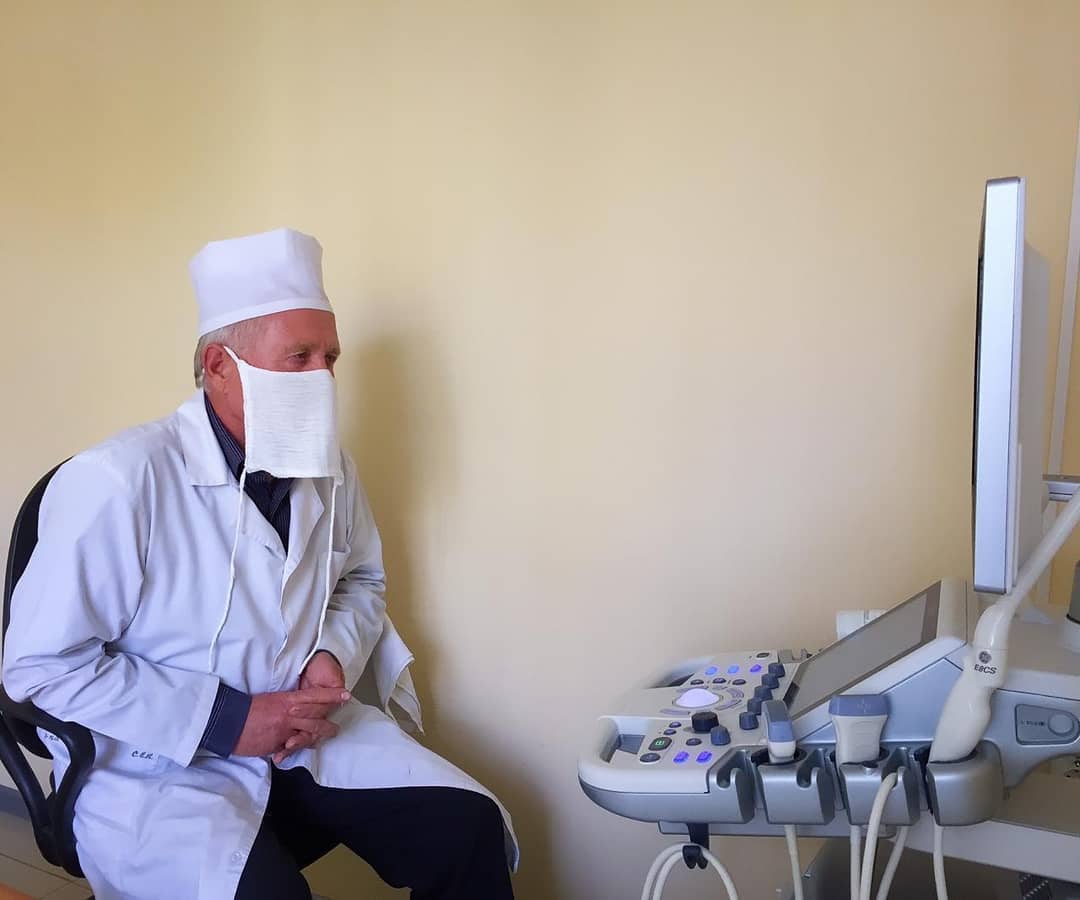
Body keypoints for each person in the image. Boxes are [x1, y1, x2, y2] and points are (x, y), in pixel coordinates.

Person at [2, 228, 517, 900]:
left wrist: (331, 654)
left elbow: (362, 580)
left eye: (330, 357)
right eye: (299, 357)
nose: (322, 378)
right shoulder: (120, 481)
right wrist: (229, 720)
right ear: (220, 365)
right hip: (157, 763)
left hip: (304, 733)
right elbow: (39, 665)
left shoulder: (330, 471)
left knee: (468, 828)